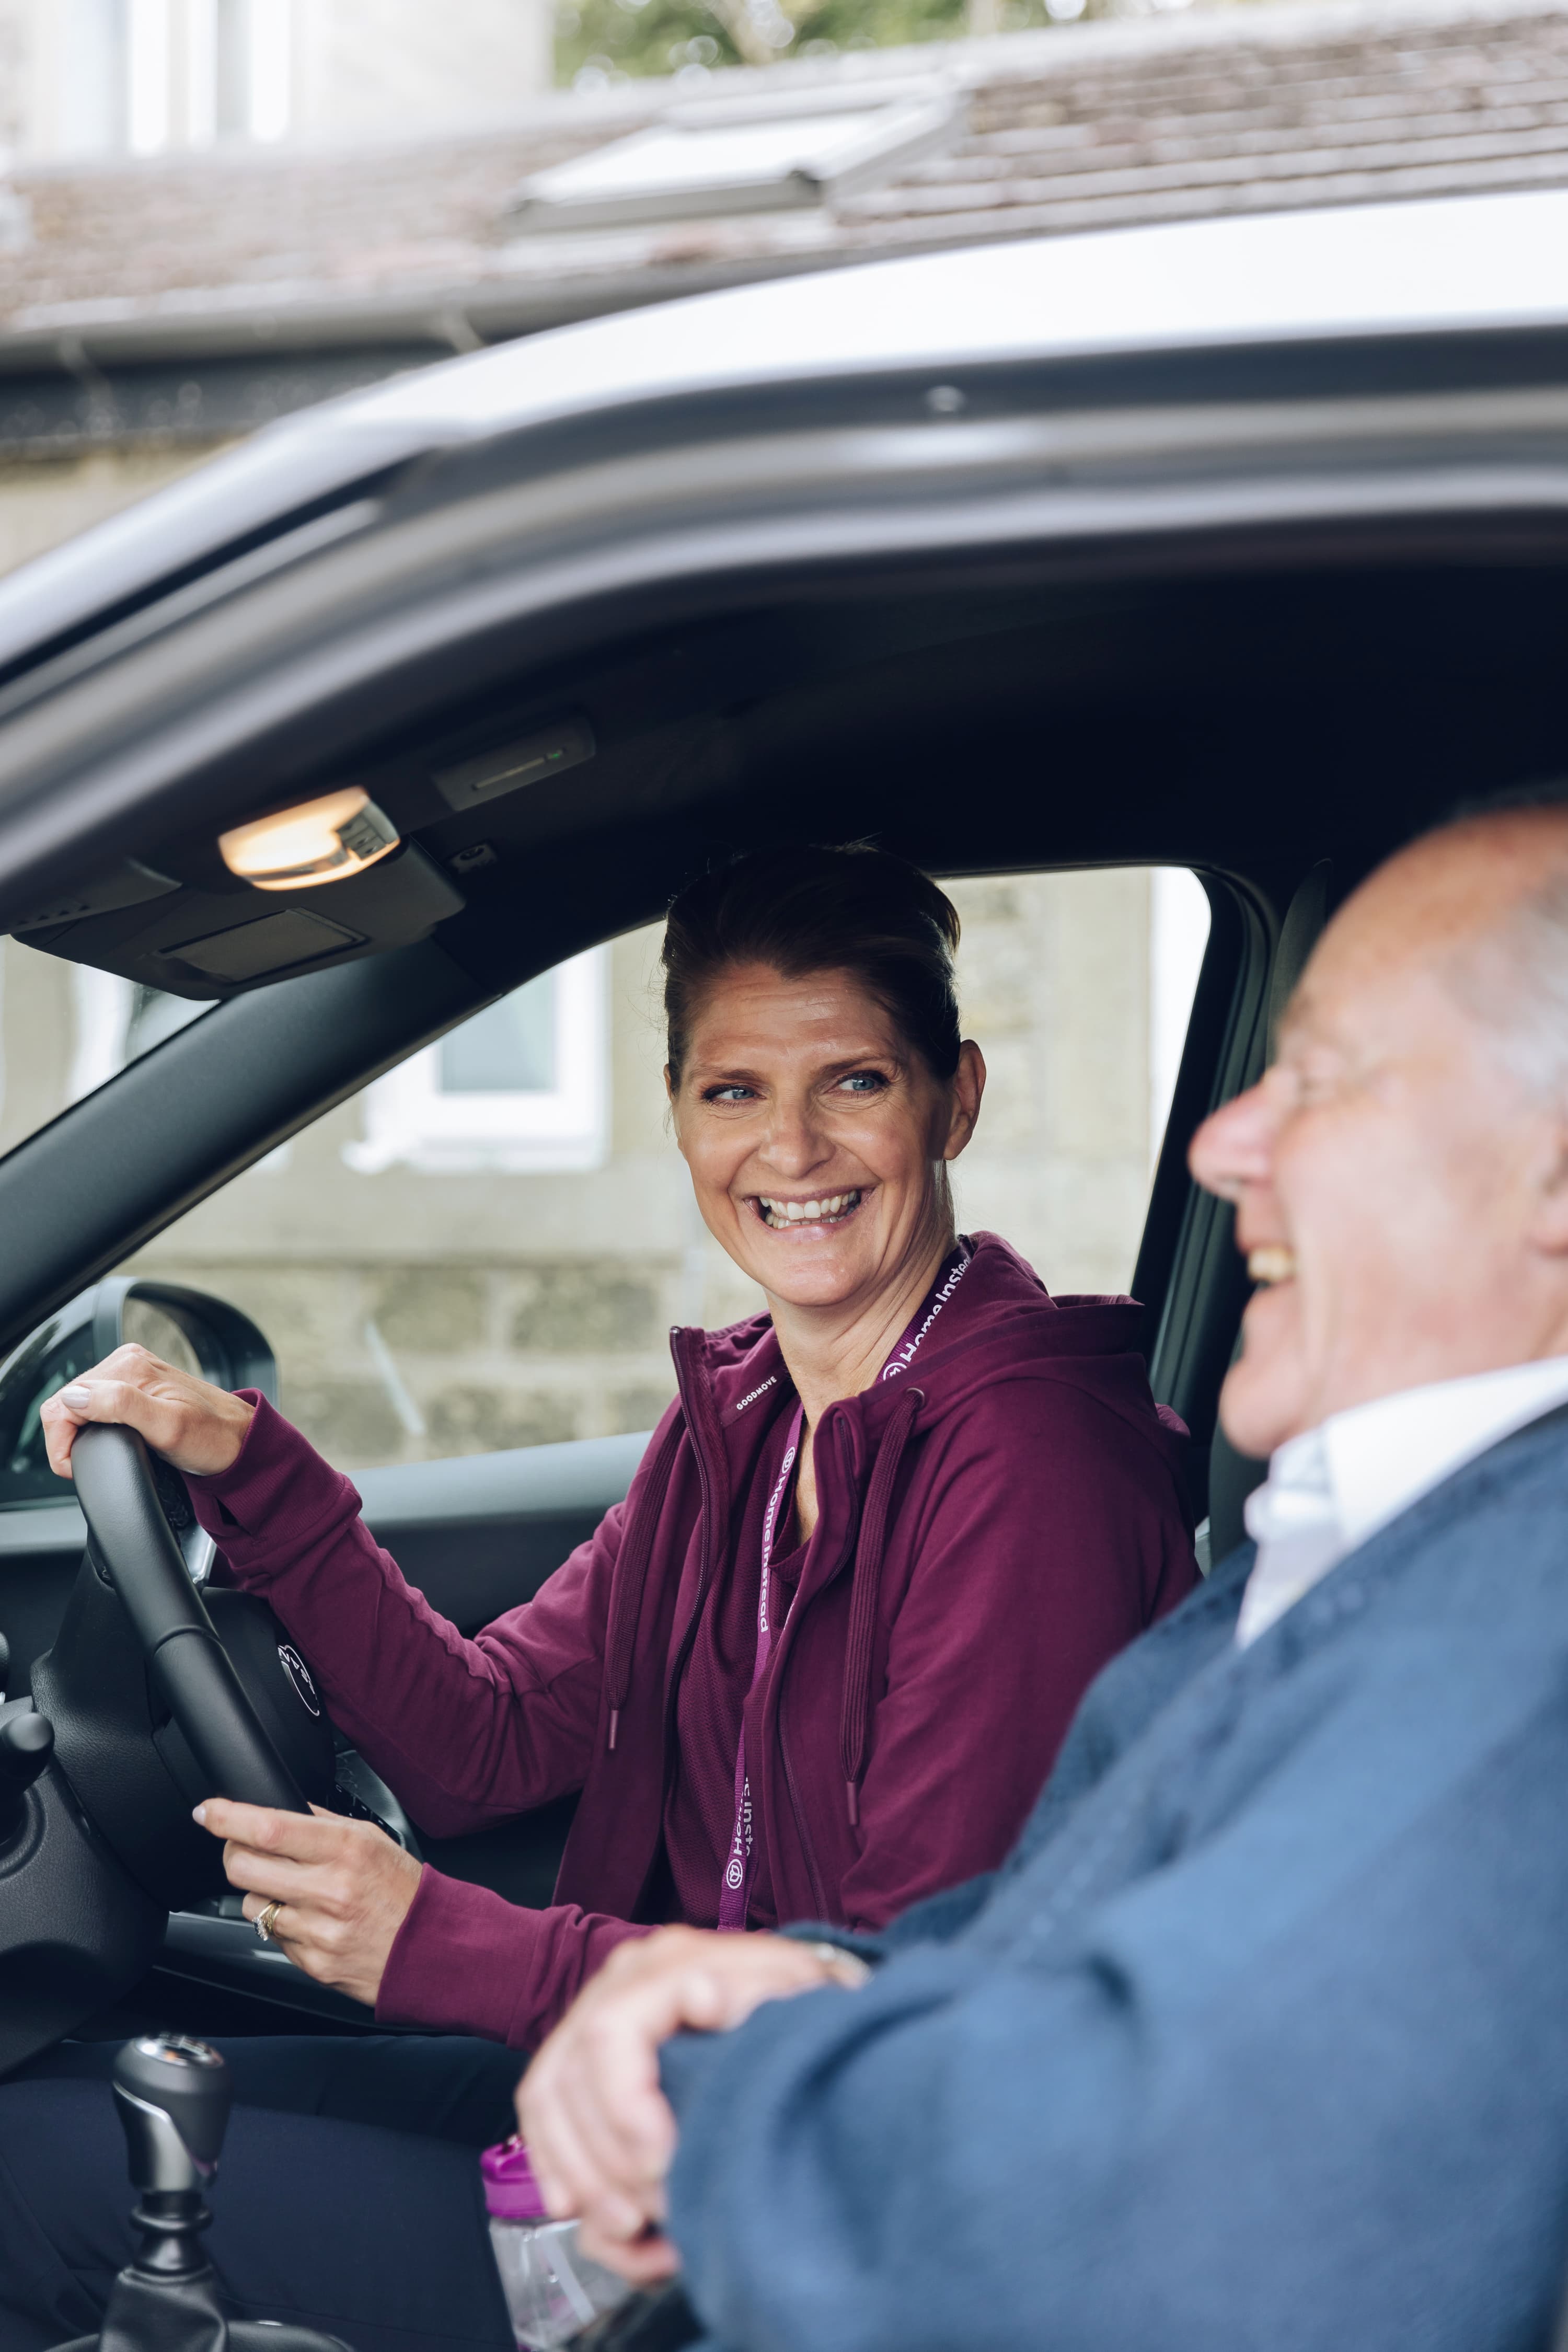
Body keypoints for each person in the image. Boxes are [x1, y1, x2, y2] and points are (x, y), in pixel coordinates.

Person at [0, 844, 1196, 2352]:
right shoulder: (742, 1423)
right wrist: (254, 1467)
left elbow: (909, 2001)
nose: (794, 1149)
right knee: (70, 2104)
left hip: (833, 2228)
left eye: (856, 1082)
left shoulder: (1031, 1462)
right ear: (682, 1111)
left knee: (38, 2188)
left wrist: (445, 1940)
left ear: (953, 1096)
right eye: (735, 1091)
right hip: (672, 2114)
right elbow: (483, 1740)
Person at [515, 795, 1568, 2352]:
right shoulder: (1380, 1543)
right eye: (731, 1087)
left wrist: (723, 2094)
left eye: (1324, 1079)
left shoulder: (1505, 1640)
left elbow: (1121, 2200)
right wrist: (795, 1980)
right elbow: (1053, 1928)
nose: (1222, 1139)